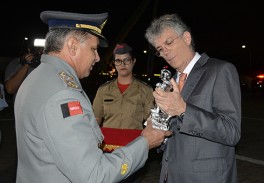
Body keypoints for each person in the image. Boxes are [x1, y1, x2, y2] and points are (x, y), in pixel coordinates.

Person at [14, 10, 171, 183]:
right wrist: (145, 142)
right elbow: (95, 176)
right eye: (93, 49)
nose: (97, 58)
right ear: (73, 45)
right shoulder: (63, 95)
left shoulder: (37, 78)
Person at [144, 14, 241, 183]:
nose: (164, 52)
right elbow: (173, 137)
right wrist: (157, 129)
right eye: (159, 49)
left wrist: (184, 110)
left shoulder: (220, 70)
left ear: (186, 37)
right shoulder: (168, 84)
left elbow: (231, 132)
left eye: (168, 42)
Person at [93, 43, 154, 129]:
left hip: (135, 141)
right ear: (114, 63)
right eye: (118, 61)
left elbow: (150, 122)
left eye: (127, 60)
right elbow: (95, 121)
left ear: (134, 61)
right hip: (109, 141)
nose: (123, 64)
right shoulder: (103, 90)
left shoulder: (146, 90)